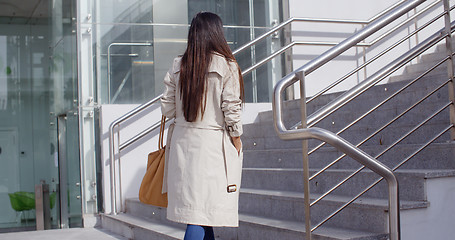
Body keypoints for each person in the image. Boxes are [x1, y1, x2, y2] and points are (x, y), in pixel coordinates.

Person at [161, 12, 244, 240]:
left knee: (199, 212)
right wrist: (237, 140)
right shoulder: (227, 65)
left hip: (182, 145)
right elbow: (231, 109)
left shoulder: (179, 65)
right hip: (211, 148)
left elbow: (167, 109)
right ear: (217, 33)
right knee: (200, 215)